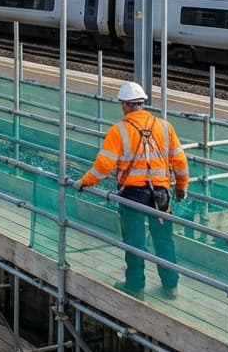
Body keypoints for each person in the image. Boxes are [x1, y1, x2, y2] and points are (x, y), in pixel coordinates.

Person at [78, 81, 189, 300]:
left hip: (133, 195)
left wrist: (85, 182)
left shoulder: (118, 130)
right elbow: (180, 161)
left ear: (124, 105)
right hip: (161, 195)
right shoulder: (165, 127)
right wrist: (182, 186)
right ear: (143, 103)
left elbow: (104, 165)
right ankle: (171, 287)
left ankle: (136, 287)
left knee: (135, 241)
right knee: (164, 240)